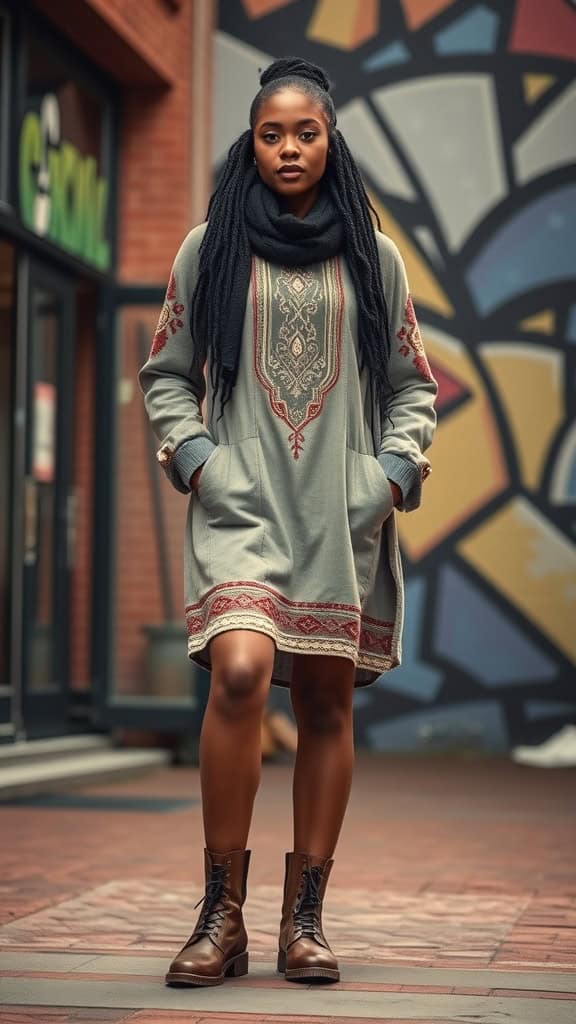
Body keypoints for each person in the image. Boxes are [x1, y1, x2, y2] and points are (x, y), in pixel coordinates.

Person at [138, 56, 437, 988]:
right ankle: (218, 912)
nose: (290, 148)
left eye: (306, 132)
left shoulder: (373, 258)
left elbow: (413, 389)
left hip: (336, 513)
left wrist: (384, 479)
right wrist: (200, 461)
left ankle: (303, 918)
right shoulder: (210, 247)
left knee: (323, 703)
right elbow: (164, 374)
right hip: (241, 506)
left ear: (330, 138)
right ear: (252, 143)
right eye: (273, 134)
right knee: (239, 671)